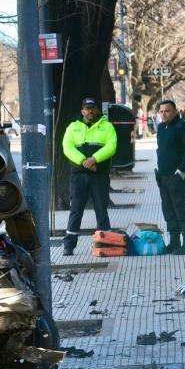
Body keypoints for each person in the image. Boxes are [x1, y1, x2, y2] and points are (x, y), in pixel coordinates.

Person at [62, 98, 117, 256]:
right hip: (79, 176)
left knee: (101, 210)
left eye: (92, 108)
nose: (90, 111)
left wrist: (94, 159)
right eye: (86, 108)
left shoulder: (107, 127)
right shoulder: (73, 127)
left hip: (99, 175)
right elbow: (67, 147)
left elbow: (111, 147)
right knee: (76, 211)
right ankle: (69, 246)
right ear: (82, 111)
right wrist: (84, 161)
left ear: (98, 110)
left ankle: (106, 244)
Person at [155, 100, 185, 254]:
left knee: (181, 209)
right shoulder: (161, 127)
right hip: (163, 176)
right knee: (168, 210)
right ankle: (174, 242)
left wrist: (181, 170)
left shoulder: (183, 128)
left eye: (167, 111)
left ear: (175, 111)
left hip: (178, 177)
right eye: (161, 111)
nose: (164, 114)